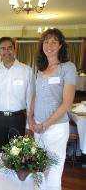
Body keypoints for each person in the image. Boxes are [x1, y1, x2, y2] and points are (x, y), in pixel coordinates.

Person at [29, 28, 76, 190]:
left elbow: (67, 103)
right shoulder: (41, 68)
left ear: (61, 45)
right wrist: (30, 118)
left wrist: (45, 125)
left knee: (54, 171)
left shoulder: (68, 68)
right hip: (38, 126)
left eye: (53, 42)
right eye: (46, 42)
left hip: (55, 128)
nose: (49, 45)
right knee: (40, 168)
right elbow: (36, 95)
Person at [0, 37, 35, 152]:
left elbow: (31, 99)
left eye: (9, 48)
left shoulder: (27, 71)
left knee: (17, 154)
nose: (6, 51)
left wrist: (29, 125)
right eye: (3, 49)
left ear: (14, 49)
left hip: (18, 119)